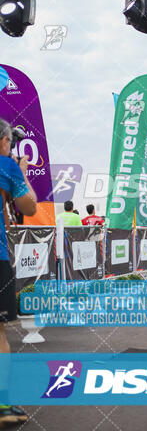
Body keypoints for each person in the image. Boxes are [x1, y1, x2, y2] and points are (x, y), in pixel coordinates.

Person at [0, 118, 37, 426]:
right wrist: (20, 173)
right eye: (10, 142)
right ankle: (2, 405)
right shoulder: (6, 165)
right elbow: (29, 207)